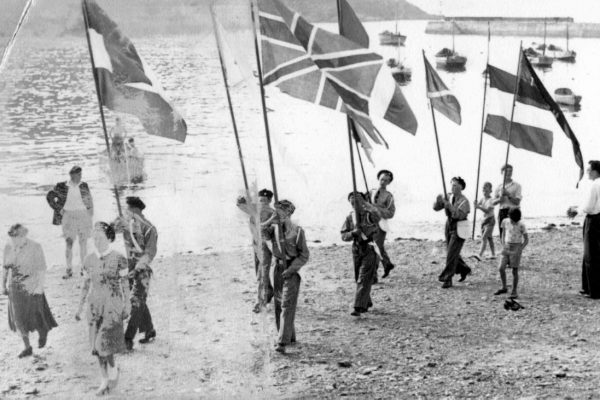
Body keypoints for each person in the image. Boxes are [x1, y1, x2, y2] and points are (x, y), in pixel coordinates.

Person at [76, 222, 130, 396]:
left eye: (100, 237)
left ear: (109, 238)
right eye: (95, 238)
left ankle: (110, 374)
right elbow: (85, 285)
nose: (97, 241)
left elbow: (125, 283)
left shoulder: (119, 258)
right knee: (97, 347)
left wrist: (127, 303)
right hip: (94, 306)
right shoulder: (88, 259)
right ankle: (106, 377)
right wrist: (79, 307)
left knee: (102, 344)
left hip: (112, 305)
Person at [2, 224, 57, 358]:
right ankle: (27, 347)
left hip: (32, 284)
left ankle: (43, 332)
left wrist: (39, 287)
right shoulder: (8, 247)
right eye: (12, 238)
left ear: (23, 236)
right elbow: (5, 268)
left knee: (37, 315)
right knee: (19, 318)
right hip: (15, 286)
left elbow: (42, 269)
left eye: (17, 238)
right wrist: (2, 285)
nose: (14, 241)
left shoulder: (35, 247)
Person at [264, 200, 309, 354]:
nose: (277, 214)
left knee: (287, 305)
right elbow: (260, 231)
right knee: (278, 304)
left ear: (288, 212)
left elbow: (304, 255)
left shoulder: (297, 231)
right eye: (276, 211)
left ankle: (282, 341)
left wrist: (291, 269)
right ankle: (289, 336)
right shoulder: (273, 228)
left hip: (291, 269)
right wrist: (270, 220)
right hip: (277, 268)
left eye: (280, 211)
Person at [113, 197, 157, 351]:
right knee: (140, 301)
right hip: (129, 268)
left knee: (135, 301)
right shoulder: (125, 225)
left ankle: (128, 338)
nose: (127, 212)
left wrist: (137, 268)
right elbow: (109, 232)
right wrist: (114, 223)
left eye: (129, 210)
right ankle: (149, 330)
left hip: (141, 270)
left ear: (135, 210)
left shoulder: (150, 229)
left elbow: (150, 253)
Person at [46, 165, 94, 279]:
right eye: (78, 175)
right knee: (69, 242)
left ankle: (84, 268)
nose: (80, 176)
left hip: (83, 215)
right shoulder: (62, 186)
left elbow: (89, 199)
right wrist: (59, 209)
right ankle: (68, 269)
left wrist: (90, 214)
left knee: (83, 243)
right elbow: (50, 196)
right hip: (68, 216)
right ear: (72, 175)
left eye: (81, 174)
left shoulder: (84, 185)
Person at [341, 192, 380, 317]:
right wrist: (353, 233)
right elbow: (343, 235)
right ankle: (366, 302)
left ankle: (358, 307)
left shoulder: (370, 215)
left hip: (370, 248)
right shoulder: (350, 217)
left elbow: (378, 216)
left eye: (357, 200)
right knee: (359, 276)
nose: (354, 203)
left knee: (363, 278)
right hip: (357, 249)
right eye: (352, 201)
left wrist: (366, 204)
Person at [236, 189, 275, 313]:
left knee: (261, 274)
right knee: (260, 271)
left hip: (264, 245)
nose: (262, 202)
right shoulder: (258, 209)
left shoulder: (266, 211)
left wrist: (243, 200)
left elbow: (241, 205)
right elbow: (241, 205)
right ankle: (268, 292)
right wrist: (243, 200)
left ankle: (261, 301)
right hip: (257, 244)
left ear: (269, 201)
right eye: (260, 200)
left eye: (264, 200)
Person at [433, 177, 472, 289]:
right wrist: (438, 200)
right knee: (452, 252)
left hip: (460, 226)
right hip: (449, 224)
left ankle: (447, 278)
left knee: (451, 254)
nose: (452, 187)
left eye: (455, 185)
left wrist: (448, 205)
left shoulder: (465, 201)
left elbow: (457, 215)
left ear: (461, 187)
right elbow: (436, 208)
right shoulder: (449, 197)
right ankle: (463, 268)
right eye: (452, 185)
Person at [494, 208, 528, 299]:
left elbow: (526, 239)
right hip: (507, 245)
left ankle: (514, 291)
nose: (514, 223)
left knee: (514, 270)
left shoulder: (521, 225)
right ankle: (504, 287)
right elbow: (503, 234)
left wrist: (520, 249)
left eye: (515, 221)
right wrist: (502, 243)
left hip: (516, 246)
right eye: (513, 221)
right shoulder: (505, 221)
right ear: (509, 217)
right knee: (501, 267)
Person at [370, 170, 396, 281]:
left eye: (386, 180)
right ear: (378, 179)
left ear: (389, 182)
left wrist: (378, 210)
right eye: (381, 179)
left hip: (381, 225)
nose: (383, 182)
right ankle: (387, 264)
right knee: (375, 248)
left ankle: (373, 276)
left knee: (375, 249)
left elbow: (391, 213)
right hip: (369, 224)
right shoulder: (371, 191)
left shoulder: (389, 196)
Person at [581, 160, 600, 299]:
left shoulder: (595, 184)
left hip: (594, 220)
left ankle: (592, 290)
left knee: (590, 255)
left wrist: (578, 209)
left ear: (595, 171)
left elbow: (588, 207)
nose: (587, 172)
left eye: (589, 170)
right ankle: (588, 286)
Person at [493, 164, 522, 238]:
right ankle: (504, 249)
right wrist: (499, 199)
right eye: (506, 171)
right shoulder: (499, 187)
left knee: (514, 234)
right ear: (501, 172)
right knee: (502, 234)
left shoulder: (517, 185)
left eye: (510, 171)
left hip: (514, 211)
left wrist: (508, 194)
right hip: (502, 211)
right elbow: (493, 202)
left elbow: (517, 201)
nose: (509, 173)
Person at [475, 182, 496, 259]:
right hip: (484, 221)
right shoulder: (482, 199)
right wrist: (476, 203)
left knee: (484, 237)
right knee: (489, 238)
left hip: (490, 220)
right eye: (483, 188)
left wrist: (478, 207)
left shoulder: (492, 200)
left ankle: (480, 255)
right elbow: (478, 203)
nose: (484, 189)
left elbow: (487, 211)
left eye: (486, 188)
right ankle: (493, 254)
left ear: (491, 190)